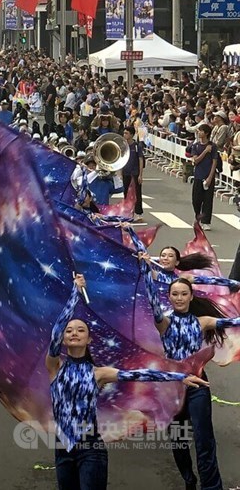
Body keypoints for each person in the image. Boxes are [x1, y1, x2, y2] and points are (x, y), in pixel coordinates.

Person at [46, 275, 207, 490]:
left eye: (81, 330)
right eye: (70, 330)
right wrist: (75, 292)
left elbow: (140, 374)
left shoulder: (99, 373)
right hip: (62, 448)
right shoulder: (54, 368)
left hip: (91, 449)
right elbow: (56, 331)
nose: (74, 332)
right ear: (64, 339)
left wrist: (180, 377)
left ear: (89, 339)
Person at [134, 267, 240, 490]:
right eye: (175, 294)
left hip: (198, 383)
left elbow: (234, 322)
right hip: (173, 387)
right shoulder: (164, 323)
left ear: (191, 296)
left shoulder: (203, 322)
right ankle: (189, 480)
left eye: (184, 294)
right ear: (169, 297)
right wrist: (145, 270)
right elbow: (153, 305)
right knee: (180, 439)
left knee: (204, 439)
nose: (179, 298)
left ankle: (212, 487)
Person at [187, 124, 219, 231]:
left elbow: (214, 162)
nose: (199, 132)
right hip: (198, 176)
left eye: (201, 131)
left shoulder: (213, 146)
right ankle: (197, 216)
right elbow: (195, 161)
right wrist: (205, 151)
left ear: (206, 133)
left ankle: (205, 221)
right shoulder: (196, 146)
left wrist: (210, 177)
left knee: (207, 200)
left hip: (208, 176)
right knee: (196, 199)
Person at [120, 126, 144, 220]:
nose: (124, 135)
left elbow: (140, 159)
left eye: (126, 133)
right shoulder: (123, 146)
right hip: (126, 172)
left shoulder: (137, 146)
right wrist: (120, 173)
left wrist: (140, 174)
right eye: (124, 133)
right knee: (126, 193)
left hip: (135, 173)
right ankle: (128, 212)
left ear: (131, 134)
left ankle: (138, 213)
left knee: (137, 193)